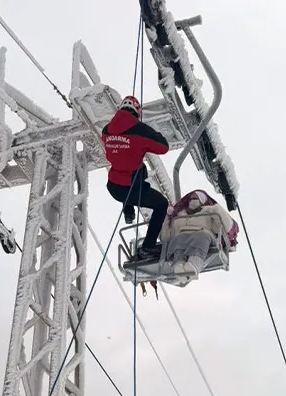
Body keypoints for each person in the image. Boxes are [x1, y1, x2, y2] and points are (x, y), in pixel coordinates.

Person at [102, 95, 170, 262]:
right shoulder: (140, 130)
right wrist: (150, 133)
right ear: (137, 111)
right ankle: (148, 247)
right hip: (130, 188)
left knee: (134, 170)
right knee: (161, 204)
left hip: (113, 186)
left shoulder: (106, 130)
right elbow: (163, 147)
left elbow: (121, 151)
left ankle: (129, 211)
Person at [160, 189, 239, 280]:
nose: (192, 201)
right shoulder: (180, 216)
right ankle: (179, 265)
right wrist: (167, 218)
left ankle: (193, 264)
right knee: (178, 239)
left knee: (201, 237)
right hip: (182, 235)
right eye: (190, 199)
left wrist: (216, 210)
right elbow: (166, 237)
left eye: (195, 198)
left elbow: (225, 227)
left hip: (202, 234)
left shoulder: (208, 212)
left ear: (202, 200)